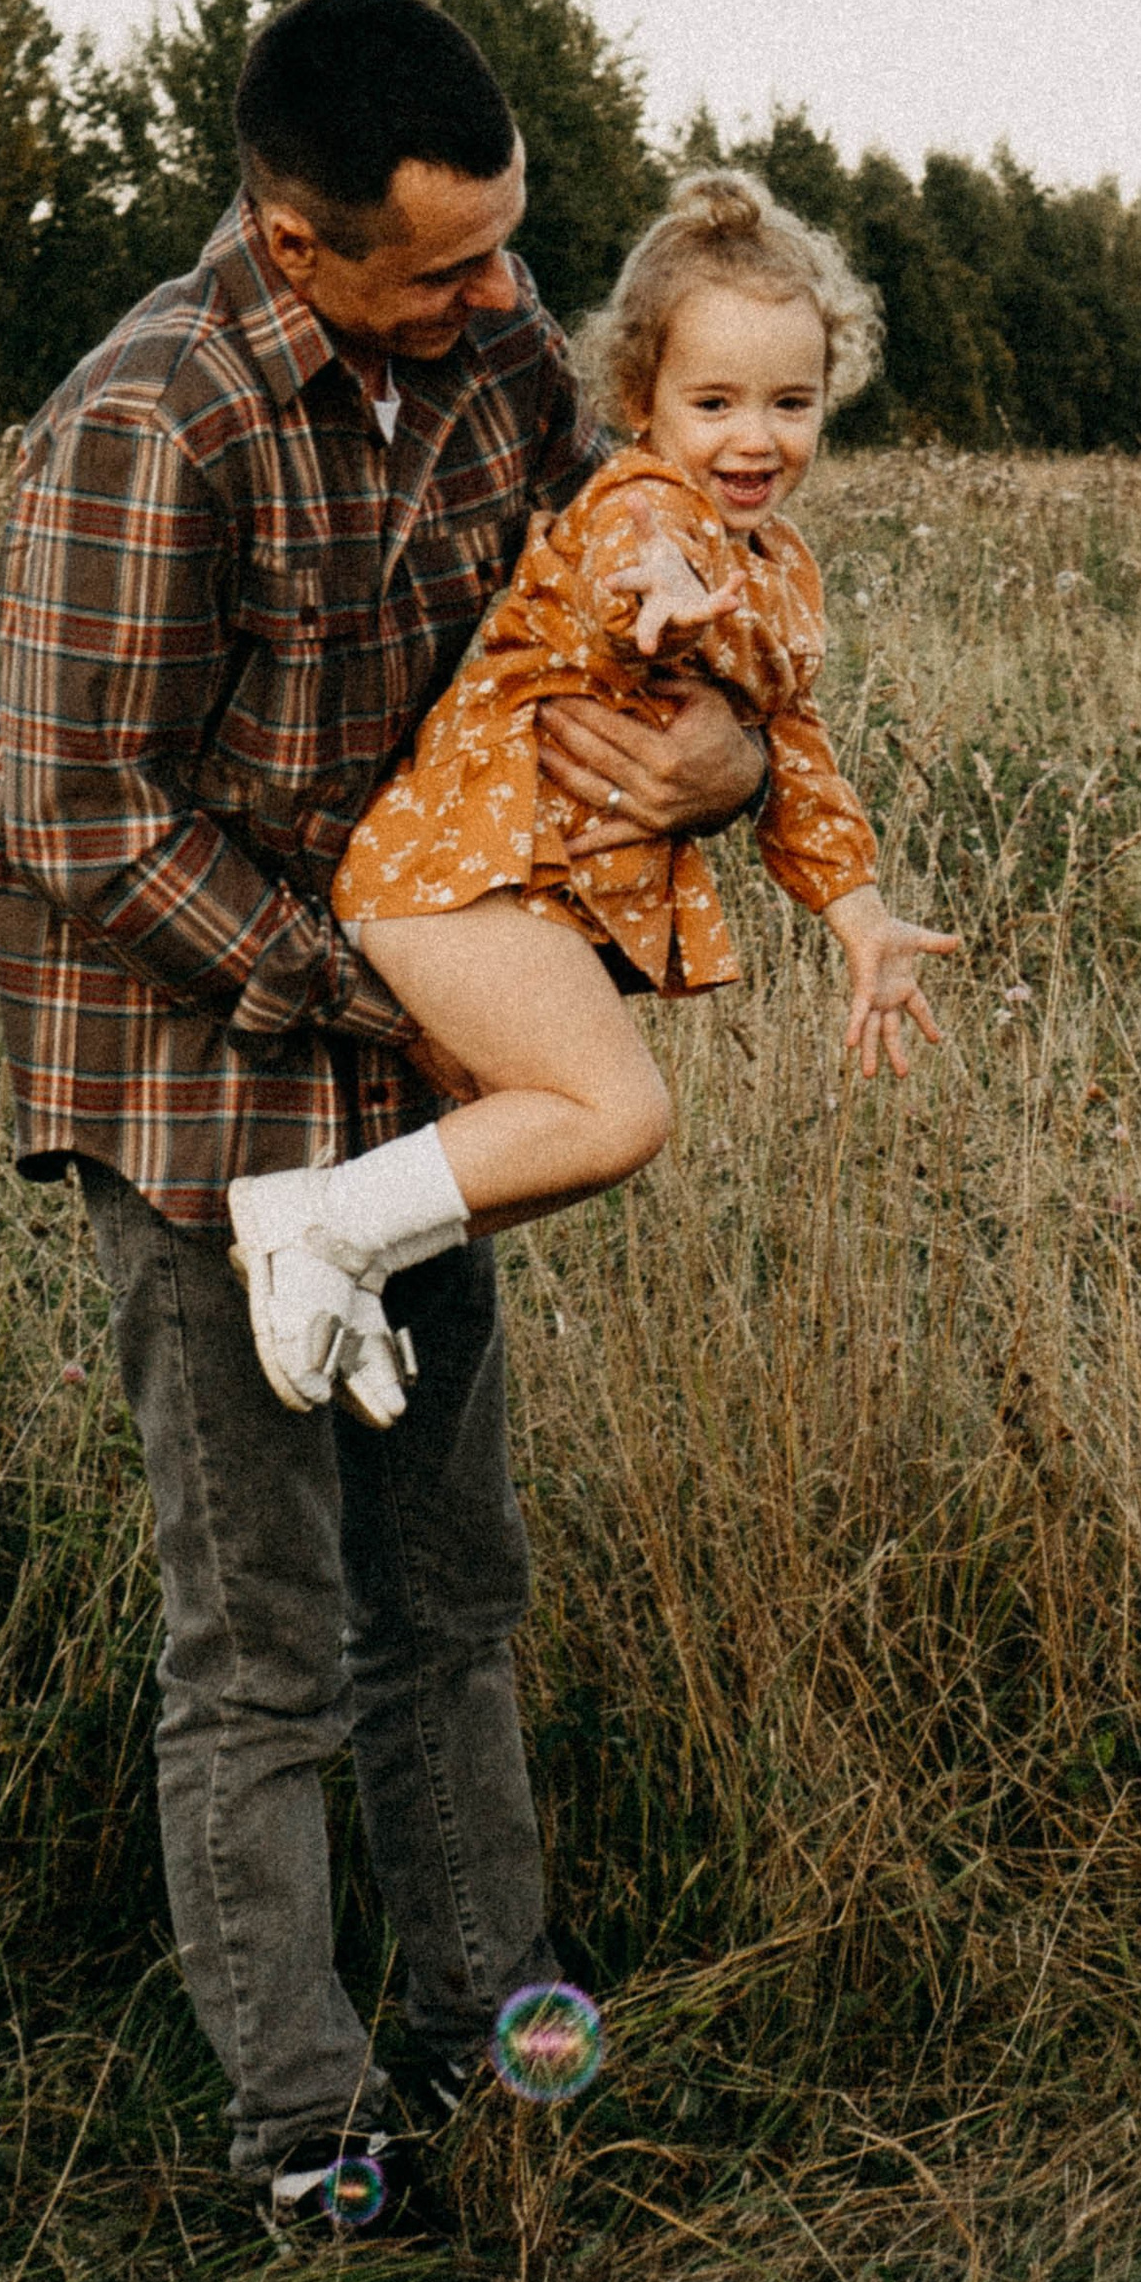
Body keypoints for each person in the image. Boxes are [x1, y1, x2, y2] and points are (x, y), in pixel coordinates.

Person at [0, 0, 768, 2237]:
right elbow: (78, 815)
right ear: (296, 237)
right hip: (201, 1090)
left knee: (451, 1577)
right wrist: (380, 1001)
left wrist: (712, 758)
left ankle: (489, 2006)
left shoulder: (509, 370)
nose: (505, 297)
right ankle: (306, 2128)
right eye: (444, 266)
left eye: (511, 242)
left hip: (417, 1082)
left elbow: (652, 619)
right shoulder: (150, 424)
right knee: (262, 1639)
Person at [223, 171, 957, 1416]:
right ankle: (310, 1223)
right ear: (641, 401)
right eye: (713, 401)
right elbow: (633, 560)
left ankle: (346, 1253)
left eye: (791, 402)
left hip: (495, 892)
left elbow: (800, 757)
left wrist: (862, 919)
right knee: (615, 1112)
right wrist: (662, 600)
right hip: (445, 879)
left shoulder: (781, 568)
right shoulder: (639, 503)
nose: (752, 438)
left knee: (569, 1134)